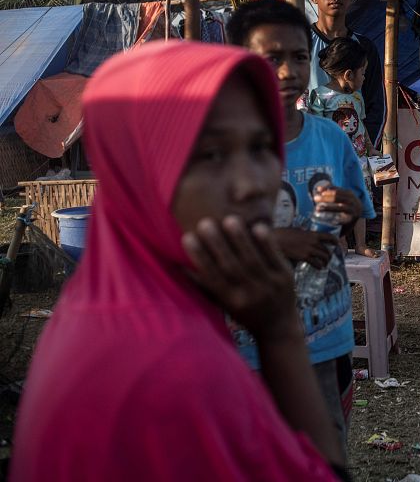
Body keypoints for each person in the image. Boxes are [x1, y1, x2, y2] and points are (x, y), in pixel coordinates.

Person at [10, 42, 344, 481]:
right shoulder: (176, 370)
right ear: (139, 170)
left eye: (261, 145)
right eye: (211, 154)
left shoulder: (106, 303)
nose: (254, 184)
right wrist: (281, 335)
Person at [226, 0, 375, 464]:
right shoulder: (225, 148)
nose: (288, 70)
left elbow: (352, 207)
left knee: (322, 453)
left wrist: (348, 209)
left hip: (323, 334)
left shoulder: (331, 138)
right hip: (251, 340)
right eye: (271, 59)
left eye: (297, 56)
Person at [310, 36, 380, 258]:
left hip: (358, 160)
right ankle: (340, 242)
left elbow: (361, 125)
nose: (364, 77)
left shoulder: (357, 96)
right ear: (349, 74)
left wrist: (371, 148)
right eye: (363, 72)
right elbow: (315, 129)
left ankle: (360, 243)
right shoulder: (320, 96)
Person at [306, 0, 385, 146]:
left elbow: (377, 107)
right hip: (312, 151)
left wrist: (362, 151)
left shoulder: (365, 47)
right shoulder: (300, 43)